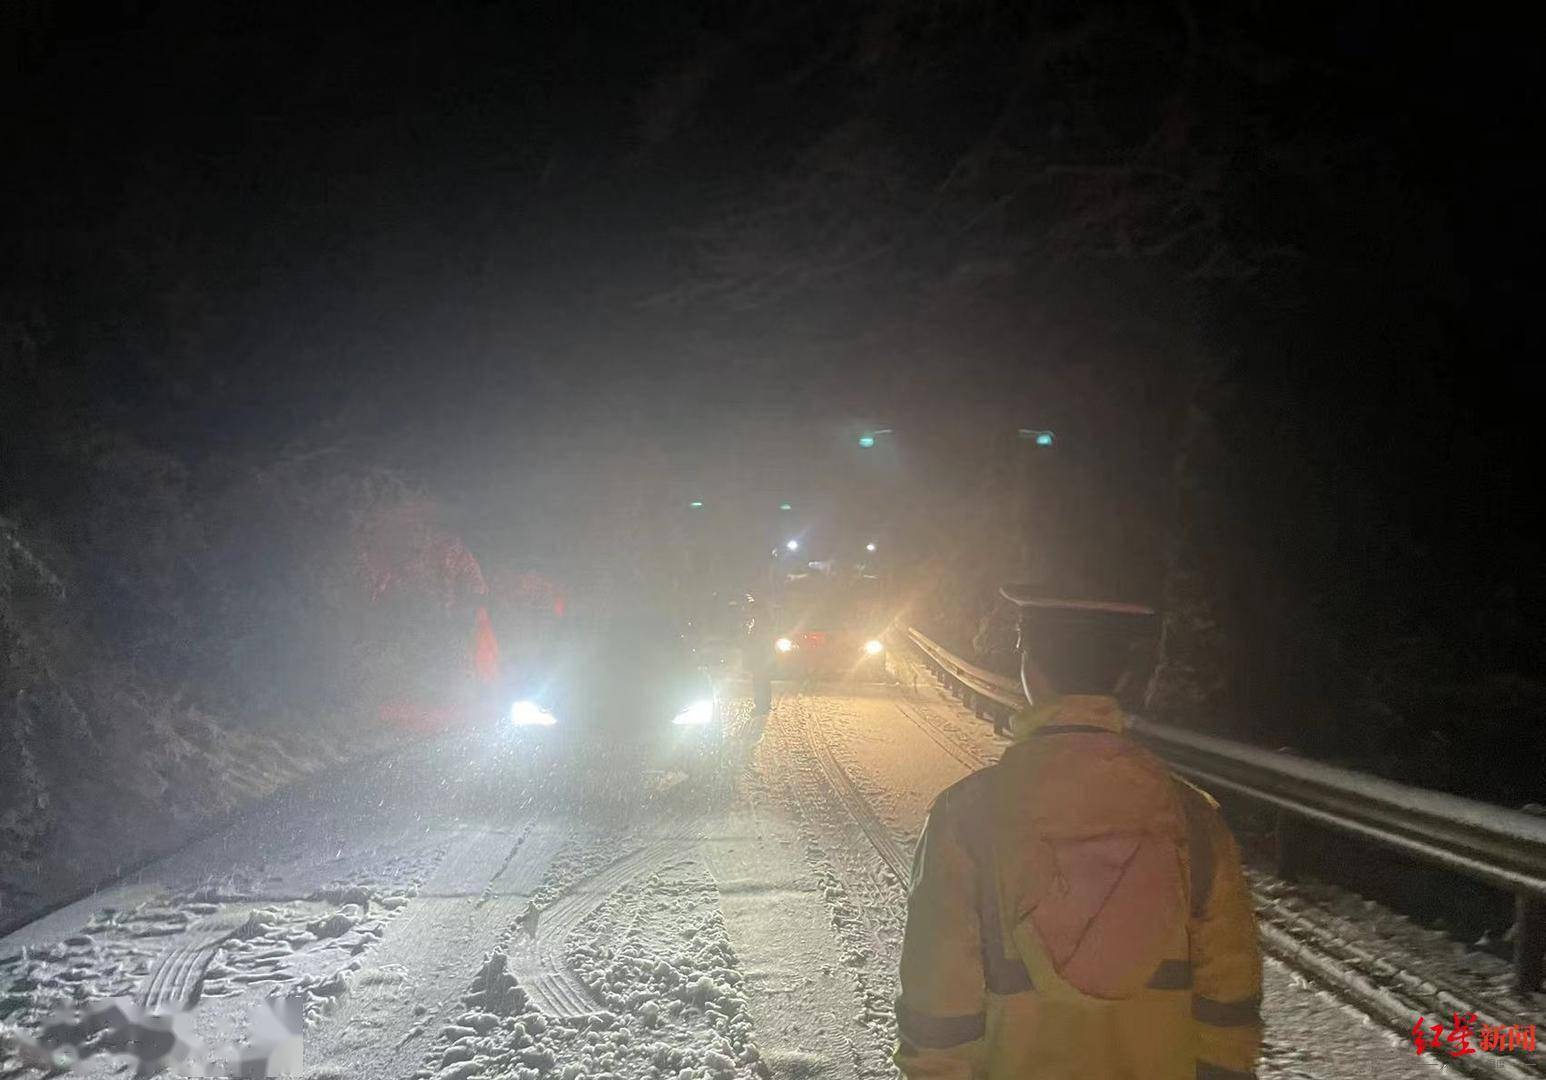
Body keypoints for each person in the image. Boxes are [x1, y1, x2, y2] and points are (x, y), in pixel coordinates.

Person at [895, 590, 1263, 1080]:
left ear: (1030, 669)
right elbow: (1230, 1009)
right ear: (1130, 677)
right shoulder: (1195, 822)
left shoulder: (965, 819)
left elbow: (937, 1010)